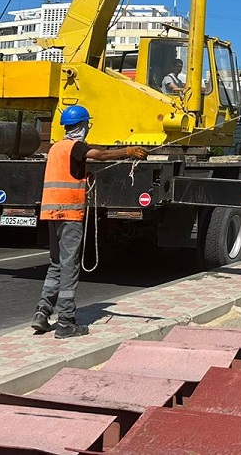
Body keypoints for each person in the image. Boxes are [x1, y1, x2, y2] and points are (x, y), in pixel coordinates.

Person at [32, 104, 144, 338]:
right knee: (69, 266)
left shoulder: (56, 148)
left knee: (56, 264)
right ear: (82, 126)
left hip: (51, 212)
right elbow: (99, 155)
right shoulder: (77, 147)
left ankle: (42, 313)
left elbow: (67, 173)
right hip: (69, 213)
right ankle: (65, 323)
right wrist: (128, 151)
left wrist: (84, 176)